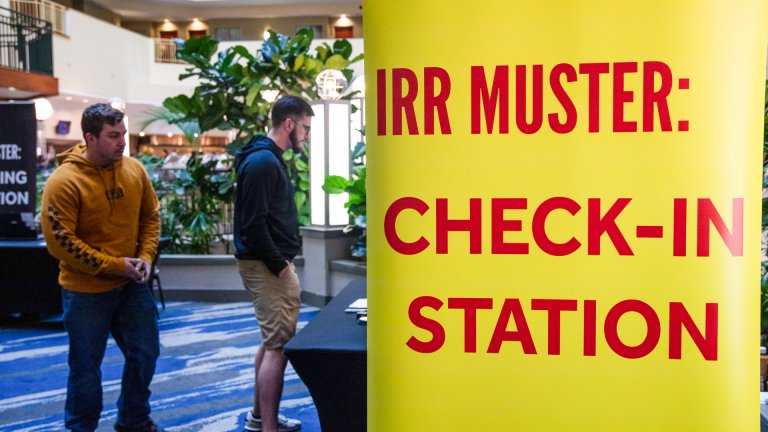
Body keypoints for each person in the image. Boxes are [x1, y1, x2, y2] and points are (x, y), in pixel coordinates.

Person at [41, 103, 163, 432]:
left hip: (131, 285)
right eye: (112, 136)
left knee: (146, 353)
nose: (122, 142)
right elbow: (61, 244)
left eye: (123, 134)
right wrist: (115, 266)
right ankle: (81, 427)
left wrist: (145, 257)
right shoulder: (64, 181)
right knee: (85, 368)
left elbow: (150, 218)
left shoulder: (134, 170)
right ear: (90, 138)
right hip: (86, 291)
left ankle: (133, 419)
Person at [234, 95, 313, 432]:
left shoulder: (266, 158)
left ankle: (259, 417)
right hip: (268, 267)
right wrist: (279, 265)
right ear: (289, 124)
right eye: (305, 128)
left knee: (271, 343)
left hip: (266, 265)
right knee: (278, 349)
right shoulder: (263, 162)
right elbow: (254, 224)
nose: (307, 136)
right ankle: (267, 427)